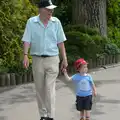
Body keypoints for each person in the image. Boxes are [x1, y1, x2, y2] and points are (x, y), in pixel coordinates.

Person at [22, 0, 68, 120]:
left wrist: (64, 59)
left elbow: (60, 42)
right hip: (37, 60)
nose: (51, 11)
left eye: (52, 9)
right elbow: (27, 39)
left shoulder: (56, 22)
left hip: (53, 59)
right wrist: (25, 55)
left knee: (49, 87)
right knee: (40, 88)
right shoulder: (31, 22)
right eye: (48, 9)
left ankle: (51, 116)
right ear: (41, 9)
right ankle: (43, 115)